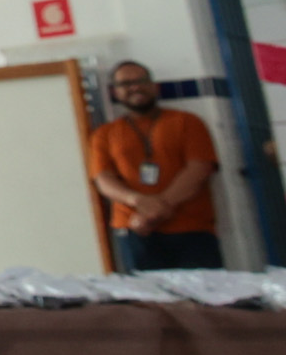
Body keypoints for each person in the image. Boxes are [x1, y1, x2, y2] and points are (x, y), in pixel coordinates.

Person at [89, 61, 224, 272]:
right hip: (134, 229)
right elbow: (103, 180)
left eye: (141, 81)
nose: (135, 87)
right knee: (146, 294)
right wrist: (138, 201)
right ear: (115, 92)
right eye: (126, 84)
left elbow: (199, 170)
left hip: (192, 229)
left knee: (206, 293)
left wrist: (157, 209)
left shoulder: (188, 122)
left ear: (154, 86)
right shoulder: (104, 134)